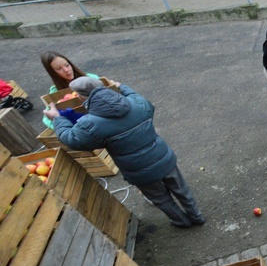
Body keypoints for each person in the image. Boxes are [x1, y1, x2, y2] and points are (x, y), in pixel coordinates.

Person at [43, 77, 205, 228]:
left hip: (139, 171)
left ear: (80, 98)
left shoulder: (90, 124)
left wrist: (57, 118)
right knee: (181, 189)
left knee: (161, 199)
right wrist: (122, 86)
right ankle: (197, 216)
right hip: (164, 158)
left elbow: (71, 139)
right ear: (104, 88)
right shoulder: (136, 103)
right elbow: (136, 96)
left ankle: (181, 221)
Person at [40, 51, 99, 129]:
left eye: (67, 65)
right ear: (53, 73)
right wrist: (67, 128)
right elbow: (46, 119)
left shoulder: (91, 78)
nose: (66, 70)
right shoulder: (55, 92)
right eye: (59, 68)